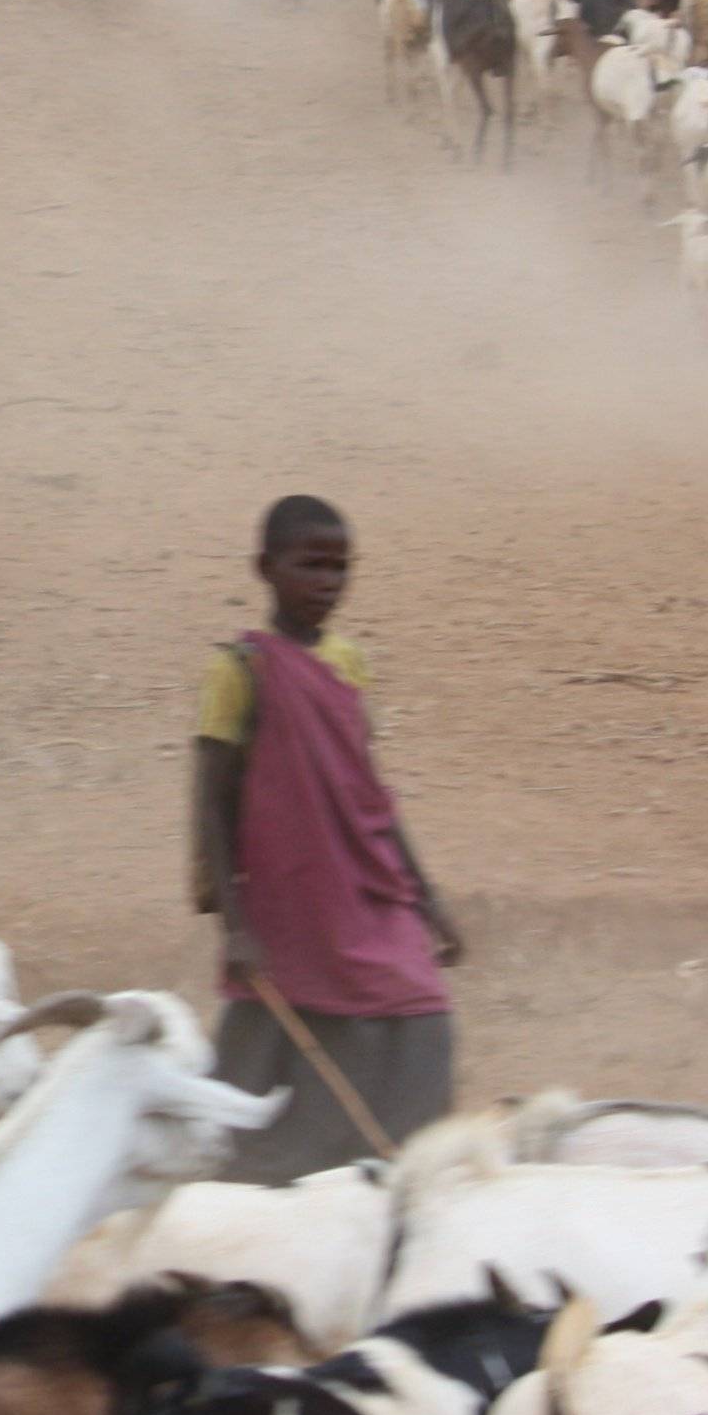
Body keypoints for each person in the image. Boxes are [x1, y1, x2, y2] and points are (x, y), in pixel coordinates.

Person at [191, 493, 464, 1179]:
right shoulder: (240, 672)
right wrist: (234, 923)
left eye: (341, 568)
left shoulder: (348, 663)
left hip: (367, 886)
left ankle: (398, 1173)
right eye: (311, 565)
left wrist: (425, 899)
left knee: (420, 1006)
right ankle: (262, 1177)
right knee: (284, 1035)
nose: (328, 583)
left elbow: (367, 794)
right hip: (289, 900)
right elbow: (211, 804)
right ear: (266, 567)